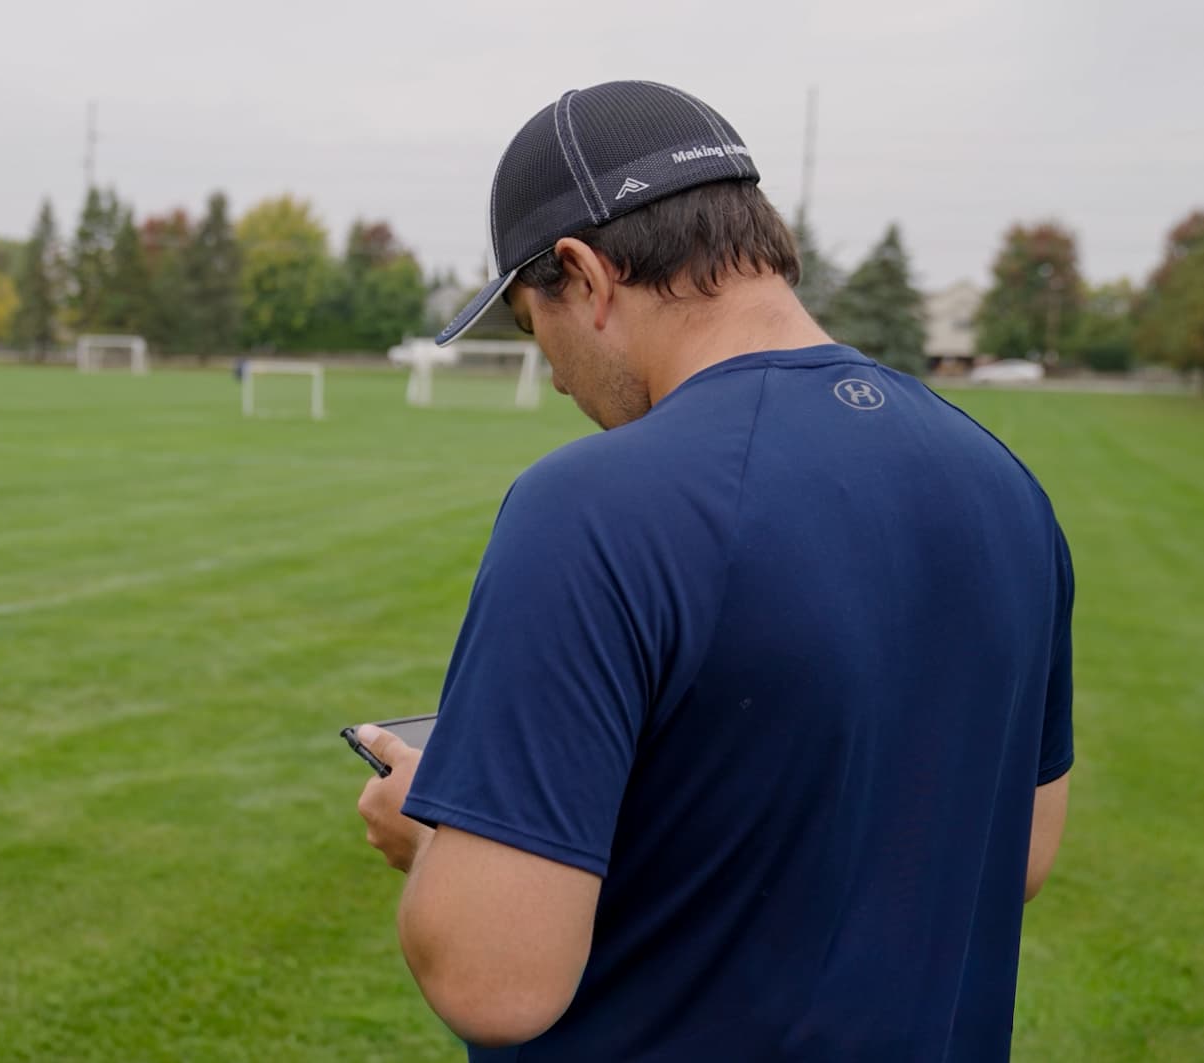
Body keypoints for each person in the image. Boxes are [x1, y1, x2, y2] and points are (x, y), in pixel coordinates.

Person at [352, 81, 1073, 1061]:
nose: (554, 376)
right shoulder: (1002, 483)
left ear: (583, 272)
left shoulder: (589, 510)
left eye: (531, 326)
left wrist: (429, 832)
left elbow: (493, 979)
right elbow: (1016, 854)